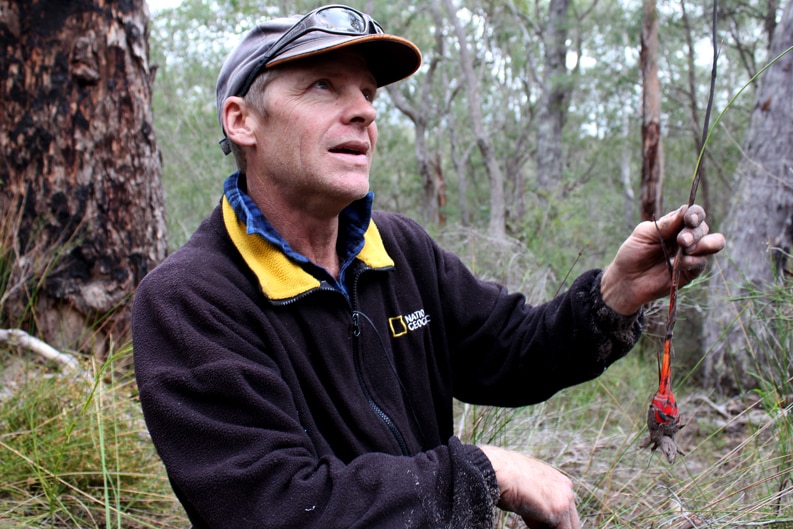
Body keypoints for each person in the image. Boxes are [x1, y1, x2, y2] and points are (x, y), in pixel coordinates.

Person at [132, 5, 725, 529]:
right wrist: (484, 471)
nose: (362, 112)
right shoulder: (191, 301)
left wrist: (616, 293)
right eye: (321, 86)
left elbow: (512, 352)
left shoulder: (397, 250)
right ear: (242, 121)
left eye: (368, 94)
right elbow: (276, 507)